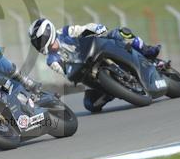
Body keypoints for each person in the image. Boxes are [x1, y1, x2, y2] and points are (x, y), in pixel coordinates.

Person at [28, 18, 161, 113]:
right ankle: (111, 90)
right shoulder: (51, 60)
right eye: (36, 43)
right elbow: (66, 72)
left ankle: (146, 50)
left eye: (40, 40)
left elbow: (84, 29)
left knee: (119, 33)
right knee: (90, 105)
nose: (39, 45)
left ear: (47, 32)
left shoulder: (64, 32)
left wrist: (98, 29)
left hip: (96, 50)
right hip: (88, 74)